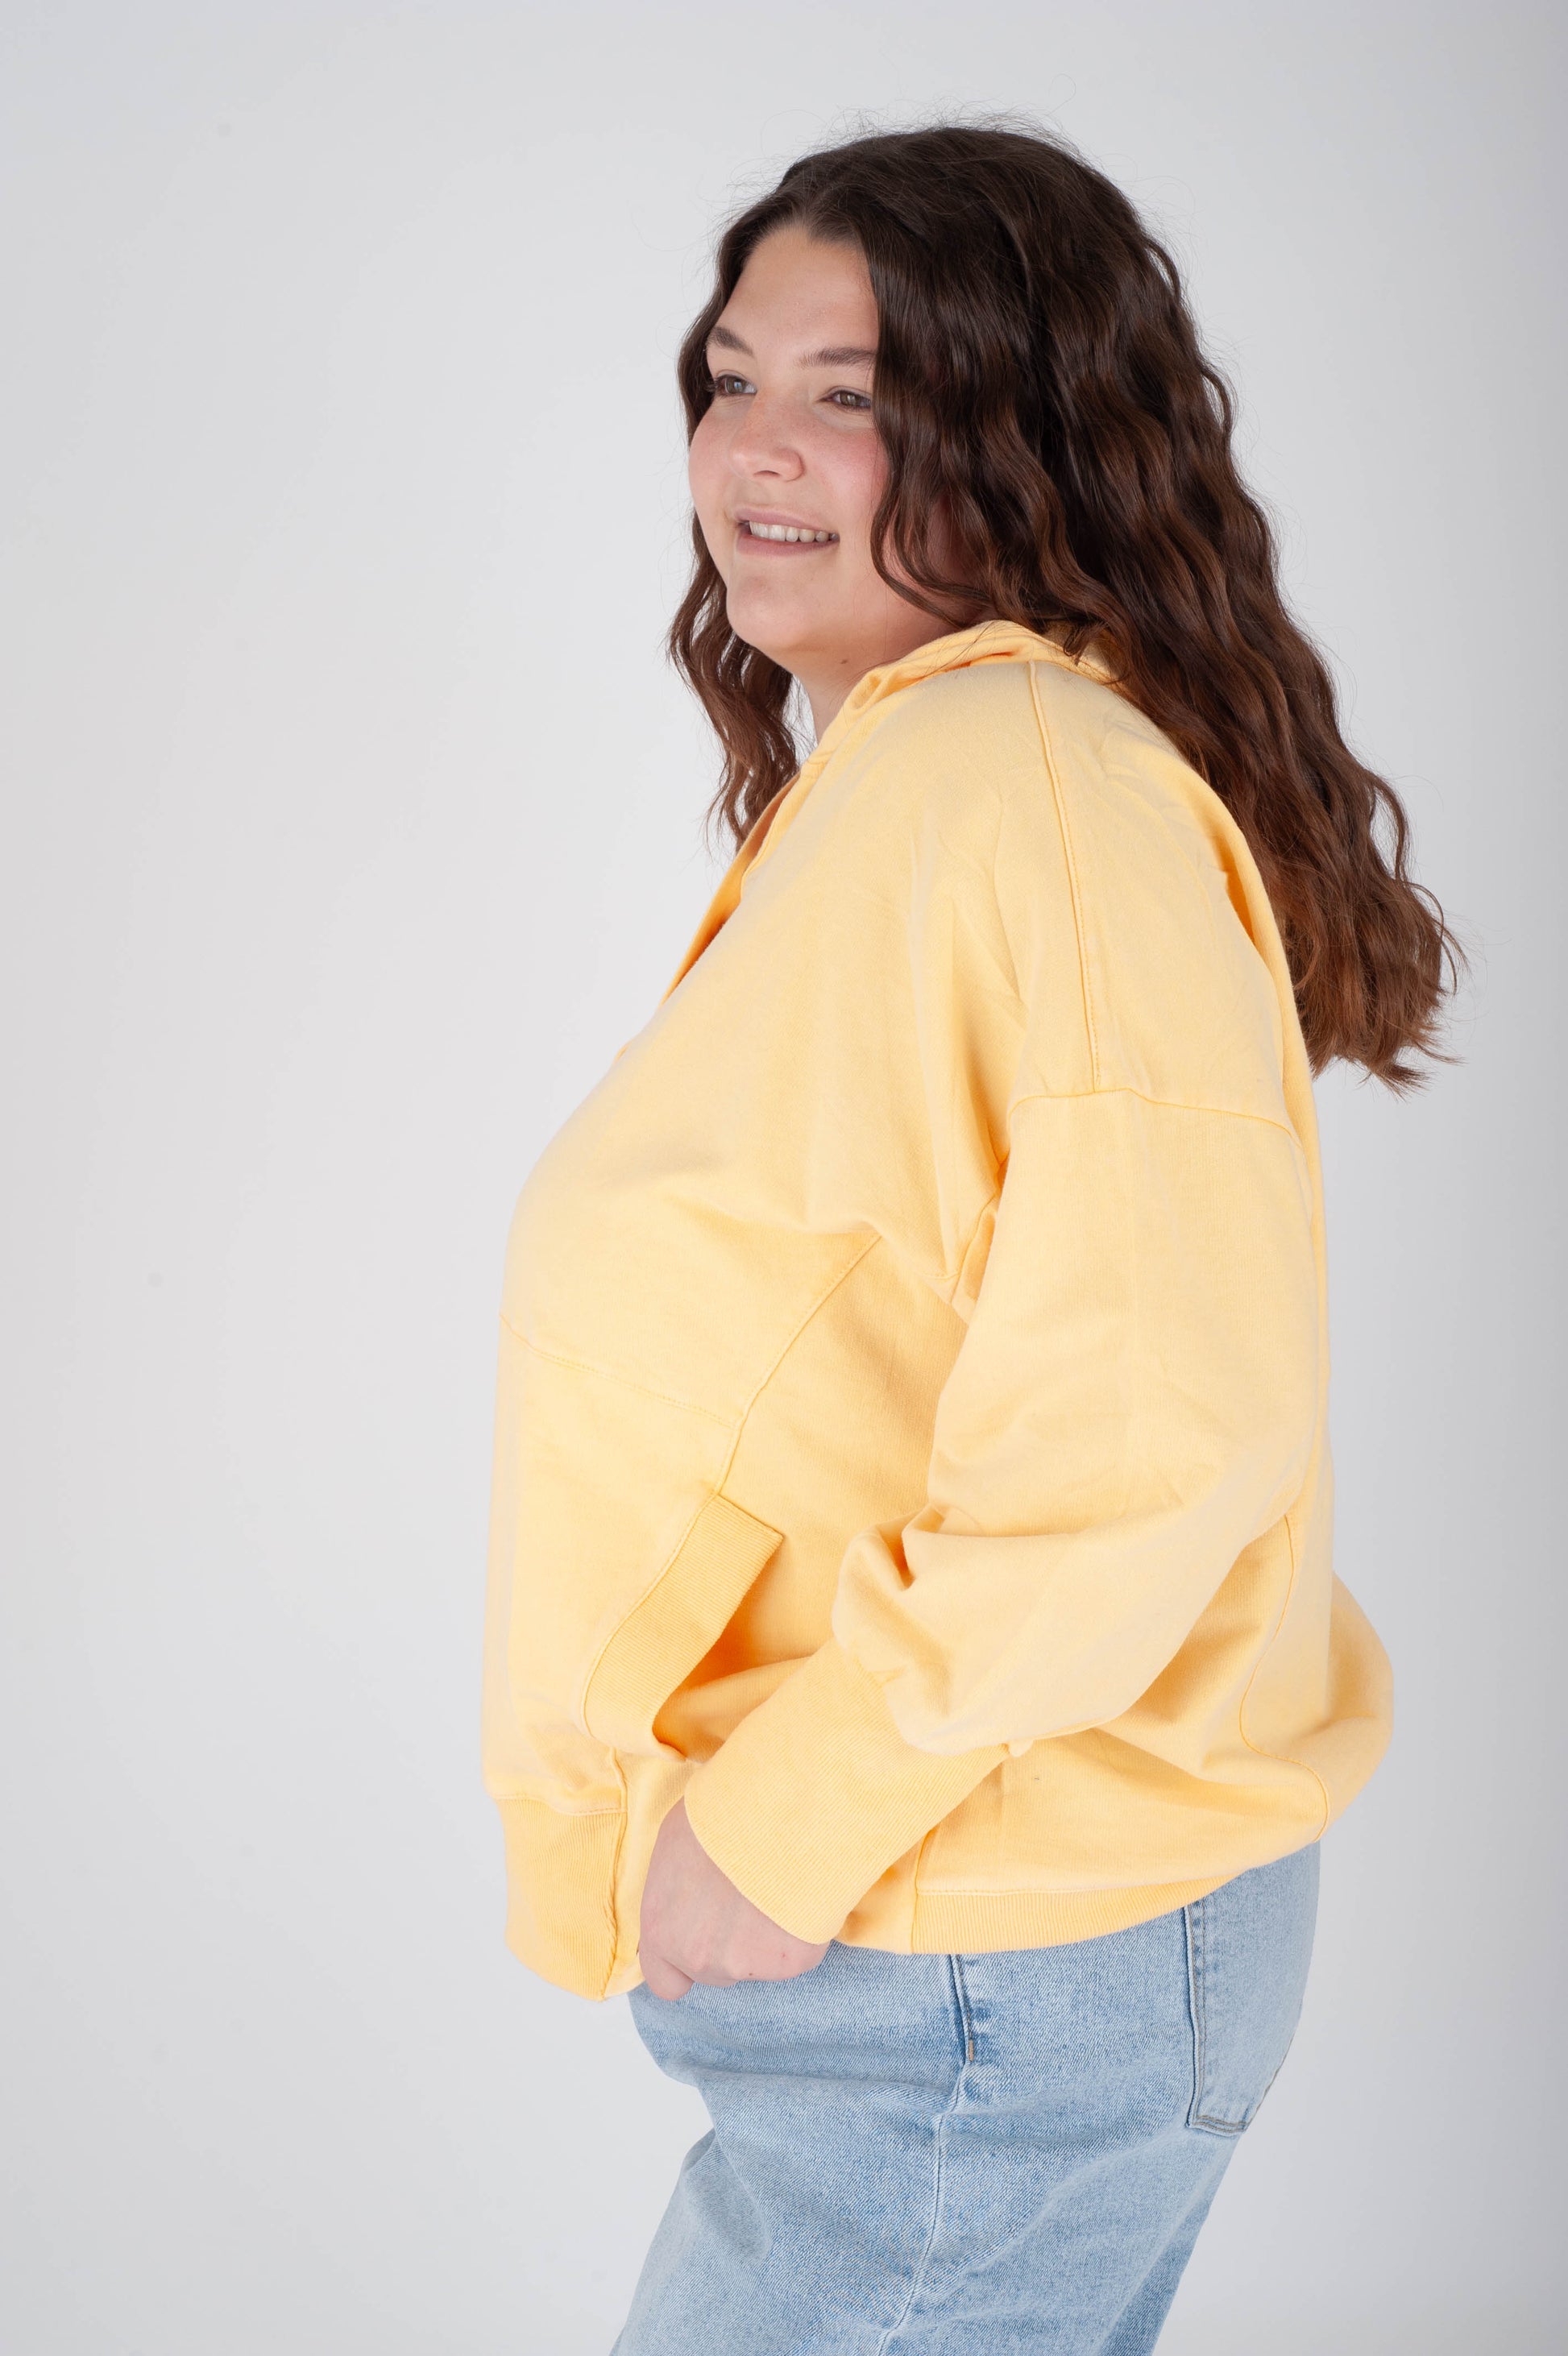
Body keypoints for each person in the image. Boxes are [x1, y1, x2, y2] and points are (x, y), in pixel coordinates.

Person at [481, 122, 1454, 2354]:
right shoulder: (927, 787)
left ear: (1028, 432)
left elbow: (1149, 1426)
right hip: (950, 1944)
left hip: (975, 1950)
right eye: (731, 379)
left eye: (853, 388)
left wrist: (789, 1811)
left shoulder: (1025, 792)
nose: (758, 450)